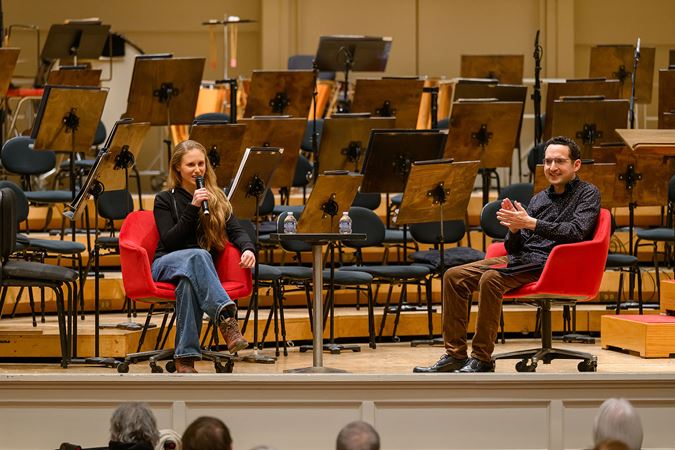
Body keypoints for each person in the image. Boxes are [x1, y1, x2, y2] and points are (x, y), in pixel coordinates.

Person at [414, 135, 601, 373]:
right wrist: (514, 230)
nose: (552, 167)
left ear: (576, 165)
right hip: (523, 260)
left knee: (491, 278)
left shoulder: (588, 193)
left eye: (560, 161)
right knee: (453, 276)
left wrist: (531, 223)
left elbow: (577, 231)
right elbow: (514, 248)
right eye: (548, 162)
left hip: (554, 264)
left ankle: (482, 358)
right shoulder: (539, 198)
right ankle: (455, 355)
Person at [153, 140, 256, 373]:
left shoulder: (217, 198)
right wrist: (192, 208)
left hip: (197, 272)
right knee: (198, 255)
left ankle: (185, 359)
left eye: (201, 163)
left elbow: (237, 231)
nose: (198, 169)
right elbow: (170, 241)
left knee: (188, 284)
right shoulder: (164, 199)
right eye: (191, 165)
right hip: (166, 264)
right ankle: (226, 318)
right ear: (178, 168)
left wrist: (248, 249)